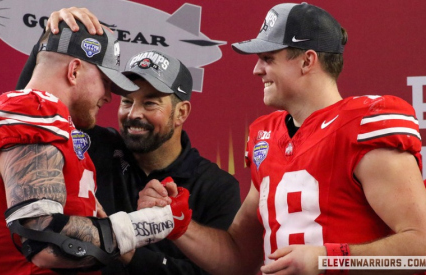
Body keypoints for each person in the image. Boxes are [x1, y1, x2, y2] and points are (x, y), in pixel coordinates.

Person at [137, 2, 426, 275]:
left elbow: (421, 249)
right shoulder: (267, 136)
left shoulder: (363, 126)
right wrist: (177, 225)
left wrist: (328, 260)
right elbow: (239, 258)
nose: (257, 69)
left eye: (268, 58)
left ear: (306, 61)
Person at [0, 20, 192, 275]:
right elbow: (44, 238)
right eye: (104, 81)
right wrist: (151, 224)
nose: (108, 96)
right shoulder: (34, 110)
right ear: (74, 71)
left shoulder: (38, 118)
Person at [16, 11, 241, 273]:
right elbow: (32, 116)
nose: (134, 114)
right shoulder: (94, 146)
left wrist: (127, 246)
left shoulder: (217, 187)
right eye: (127, 101)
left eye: (150, 103)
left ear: (181, 113)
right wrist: (50, 43)